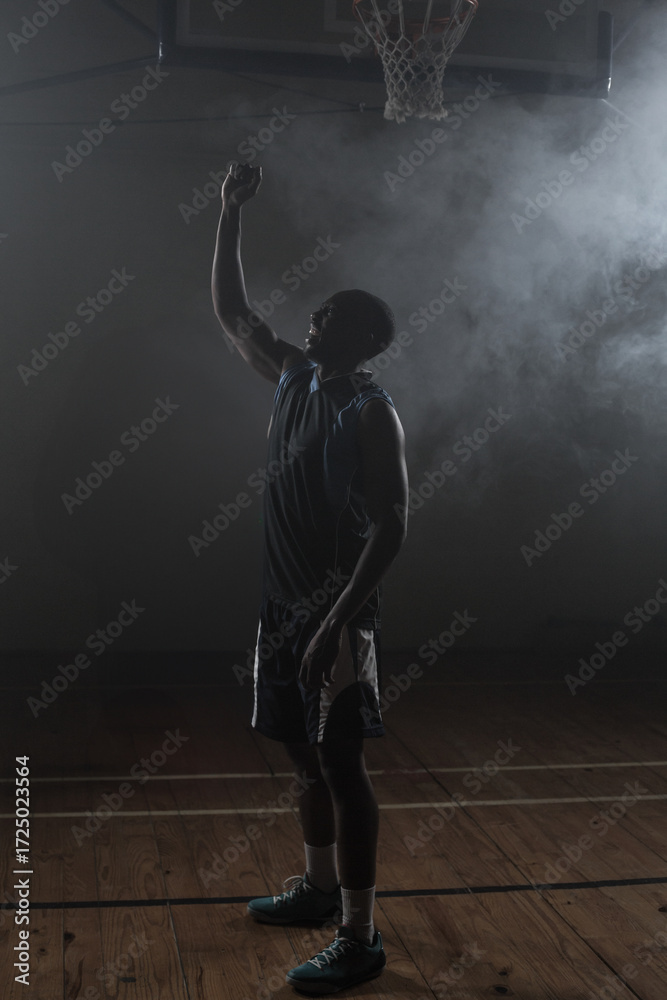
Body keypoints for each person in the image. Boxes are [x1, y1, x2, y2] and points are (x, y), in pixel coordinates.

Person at [211, 161, 408, 994]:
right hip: (281, 610)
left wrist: (335, 623)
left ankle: (360, 934)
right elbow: (231, 311)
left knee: (340, 766)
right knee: (301, 762)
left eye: (332, 316)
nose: (314, 317)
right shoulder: (292, 375)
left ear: (364, 339)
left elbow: (394, 527)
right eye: (318, 312)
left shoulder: (370, 410)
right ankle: (319, 890)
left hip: (336, 617)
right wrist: (228, 214)